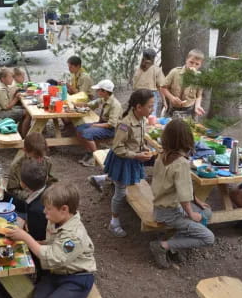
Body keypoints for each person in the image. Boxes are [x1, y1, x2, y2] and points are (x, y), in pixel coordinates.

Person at [6, 183, 96, 298]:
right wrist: (40, 243)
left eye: (48, 209)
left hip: (77, 279)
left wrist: (26, 238)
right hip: (57, 273)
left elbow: (55, 257)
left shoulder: (74, 236)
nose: (44, 212)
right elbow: (54, 243)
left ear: (64, 209)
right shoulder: (57, 220)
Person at [149, 119, 215, 269]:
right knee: (208, 237)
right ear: (187, 139)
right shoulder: (182, 163)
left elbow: (182, 188)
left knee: (206, 212)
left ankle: (174, 247)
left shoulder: (162, 155)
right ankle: (162, 246)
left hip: (160, 206)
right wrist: (191, 214)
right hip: (170, 212)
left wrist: (196, 200)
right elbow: (184, 196)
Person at [103, 89, 155, 237]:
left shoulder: (142, 119)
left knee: (126, 184)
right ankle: (114, 222)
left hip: (132, 159)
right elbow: (117, 147)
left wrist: (143, 147)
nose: (152, 109)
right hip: (122, 161)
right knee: (120, 192)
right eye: (150, 106)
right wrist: (137, 155)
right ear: (139, 107)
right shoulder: (125, 124)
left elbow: (136, 139)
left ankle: (104, 179)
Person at [76, 79, 122, 167]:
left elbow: (111, 124)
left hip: (111, 129)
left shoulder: (115, 105)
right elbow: (92, 104)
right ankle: (89, 152)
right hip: (102, 124)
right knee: (79, 128)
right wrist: (80, 104)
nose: (97, 91)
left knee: (87, 133)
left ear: (104, 91)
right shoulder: (103, 99)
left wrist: (95, 125)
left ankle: (95, 157)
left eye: (98, 90)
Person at [6, 132, 57, 202]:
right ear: (25, 151)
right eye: (35, 157)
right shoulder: (16, 166)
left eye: (41, 156)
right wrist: (29, 195)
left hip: (44, 199)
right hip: (25, 201)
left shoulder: (47, 162)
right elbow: (11, 191)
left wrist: (47, 193)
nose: (39, 160)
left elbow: (53, 182)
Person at [161, 49, 205, 118]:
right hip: (173, 110)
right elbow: (163, 87)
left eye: (197, 64)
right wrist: (172, 98)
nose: (193, 66)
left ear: (200, 65)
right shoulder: (175, 72)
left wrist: (197, 106)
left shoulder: (199, 78)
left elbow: (199, 95)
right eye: (191, 62)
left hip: (190, 111)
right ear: (186, 60)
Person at [0, 67, 31, 137]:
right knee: (27, 113)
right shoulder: (1, 89)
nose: (12, 78)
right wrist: (16, 98)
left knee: (25, 110)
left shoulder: (3, 86)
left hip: (1, 110)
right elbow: (6, 107)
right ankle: (24, 137)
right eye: (10, 77)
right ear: (3, 79)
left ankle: (21, 132)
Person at [133, 48, 166, 117]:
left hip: (137, 94)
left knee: (138, 115)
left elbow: (134, 84)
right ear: (153, 58)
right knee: (150, 116)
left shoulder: (137, 68)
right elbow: (160, 86)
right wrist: (164, 101)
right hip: (150, 95)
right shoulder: (156, 69)